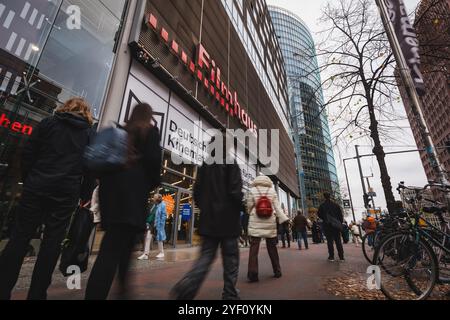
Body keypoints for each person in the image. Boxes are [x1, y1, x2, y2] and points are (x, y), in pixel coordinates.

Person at [0, 98, 95, 300]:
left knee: (19, 237)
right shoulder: (88, 134)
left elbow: (28, 153)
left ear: (65, 108)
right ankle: (37, 294)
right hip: (65, 194)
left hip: (36, 187)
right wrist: (84, 196)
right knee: (52, 243)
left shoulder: (48, 123)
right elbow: (89, 169)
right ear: (86, 113)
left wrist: (29, 179)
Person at [85, 103, 162, 300]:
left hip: (111, 195)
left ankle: (123, 291)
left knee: (119, 246)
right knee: (113, 251)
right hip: (132, 196)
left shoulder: (122, 132)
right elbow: (154, 164)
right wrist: (152, 182)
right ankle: (104, 294)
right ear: (149, 116)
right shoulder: (150, 132)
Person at [170, 133, 243, 300]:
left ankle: (187, 286)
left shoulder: (205, 165)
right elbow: (235, 193)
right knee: (231, 259)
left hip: (209, 221)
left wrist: (206, 209)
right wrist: (242, 206)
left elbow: (197, 193)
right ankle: (230, 294)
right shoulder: (231, 163)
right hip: (228, 222)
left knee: (205, 257)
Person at [246, 175, 289, 282]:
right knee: (272, 248)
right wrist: (283, 218)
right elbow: (277, 208)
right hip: (269, 222)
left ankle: (253, 274)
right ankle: (277, 271)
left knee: (254, 249)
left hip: (255, 222)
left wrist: (250, 211)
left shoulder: (252, 190)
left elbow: (249, 206)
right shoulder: (272, 191)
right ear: (268, 181)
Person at [318, 192, 345, 262]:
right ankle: (341, 257)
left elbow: (319, 214)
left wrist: (324, 218)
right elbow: (340, 215)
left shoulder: (322, 206)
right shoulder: (336, 205)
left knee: (329, 241)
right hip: (336, 225)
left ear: (324, 197)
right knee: (338, 241)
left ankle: (331, 256)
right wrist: (339, 223)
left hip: (327, 225)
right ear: (330, 196)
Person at [154, 194, 167, 259]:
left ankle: (162, 252)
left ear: (158, 199)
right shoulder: (157, 205)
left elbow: (164, 215)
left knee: (160, 238)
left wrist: (161, 224)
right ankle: (160, 252)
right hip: (157, 224)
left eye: (155, 198)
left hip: (160, 225)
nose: (154, 199)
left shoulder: (162, 205)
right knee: (159, 238)